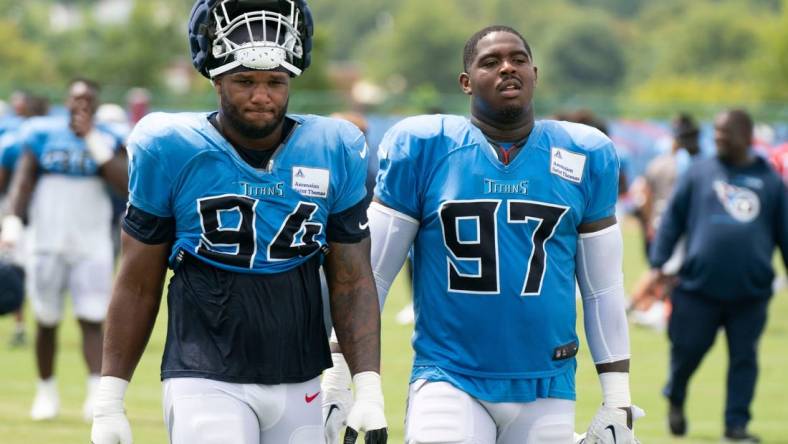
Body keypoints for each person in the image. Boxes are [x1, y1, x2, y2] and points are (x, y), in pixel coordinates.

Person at [323, 25, 639, 443]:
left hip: (548, 381)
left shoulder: (584, 153)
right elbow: (370, 276)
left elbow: (603, 289)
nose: (508, 68)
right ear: (466, 82)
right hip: (449, 375)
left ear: (535, 74)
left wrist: (617, 396)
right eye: (491, 62)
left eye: (519, 59)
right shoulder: (425, 147)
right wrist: (342, 376)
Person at [89, 1, 387, 443]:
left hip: (300, 373)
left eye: (275, 81)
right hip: (203, 370)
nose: (262, 95)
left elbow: (352, 280)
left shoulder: (334, 146)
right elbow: (136, 282)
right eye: (245, 81)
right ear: (217, 79)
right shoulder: (170, 147)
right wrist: (110, 399)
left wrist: (365, 385)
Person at [647, 109, 788, 442]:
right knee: (687, 353)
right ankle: (676, 396)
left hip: (750, 292)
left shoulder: (769, 181)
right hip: (698, 289)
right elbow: (672, 221)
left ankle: (735, 426)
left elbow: (785, 231)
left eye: (726, 133)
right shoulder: (699, 172)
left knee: (744, 359)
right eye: (718, 133)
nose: (719, 138)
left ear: (746, 135)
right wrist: (658, 262)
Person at [0, 79, 127, 422]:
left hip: (91, 241)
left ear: (97, 104)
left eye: (88, 99)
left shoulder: (109, 138)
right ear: (66, 101)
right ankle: (46, 392)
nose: (81, 105)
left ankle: (93, 395)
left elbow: (125, 183)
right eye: (76, 98)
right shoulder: (42, 135)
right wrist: (13, 221)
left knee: (92, 318)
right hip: (46, 240)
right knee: (46, 319)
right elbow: (23, 181)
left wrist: (91, 138)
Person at [628, 113, 701, 329]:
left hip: (659, 222)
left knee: (667, 271)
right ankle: (633, 304)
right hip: (678, 226)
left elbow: (643, 194)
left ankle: (656, 308)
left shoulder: (658, 163)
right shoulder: (689, 164)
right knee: (664, 271)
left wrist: (649, 222)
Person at [0, 94, 49, 348]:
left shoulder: (15, 140)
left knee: (21, 273)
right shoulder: (14, 140)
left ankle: (33, 324)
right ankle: (23, 325)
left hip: (39, 217)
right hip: (23, 216)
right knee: (16, 272)